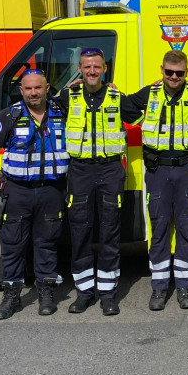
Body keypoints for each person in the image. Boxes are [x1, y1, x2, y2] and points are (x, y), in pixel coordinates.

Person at [120, 51, 188, 311]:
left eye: (179, 73)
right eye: (169, 72)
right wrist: (109, 89)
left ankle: (185, 286)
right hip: (158, 171)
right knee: (159, 230)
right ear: (162, 70)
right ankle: (159, 287)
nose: (174, 77)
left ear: (186, 72)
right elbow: (122, 104)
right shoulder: (150, 93)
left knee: (186, 229)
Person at [0, 69, 68, 320]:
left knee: (47, 243)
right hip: (18, 191)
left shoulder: (62, 113)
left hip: (52, 190)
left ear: (47, 88)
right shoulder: (8, 116)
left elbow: (84, 89)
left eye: (38, 88)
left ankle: (46, 293)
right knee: (13, 245)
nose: (33, 93)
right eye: (28, 88)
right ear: (21, 91)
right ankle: (11, 297)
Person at [63, 47, 128, 316]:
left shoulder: (117, 97)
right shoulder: (67, 97)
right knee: (80, 232)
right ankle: (84, 293)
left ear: (104, 69)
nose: (92, 71)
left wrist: (161, 82)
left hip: (110, 170)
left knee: (110, 232)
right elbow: (38, 102)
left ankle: (108, 295)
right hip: (80, 171)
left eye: (96, 67)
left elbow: (147, 106)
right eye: (87, 67)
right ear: (79, 69)